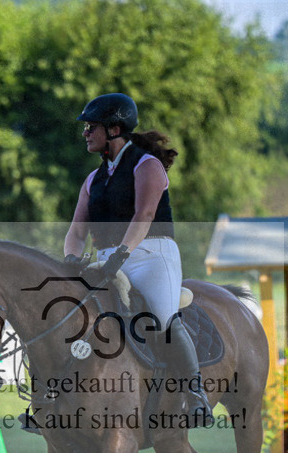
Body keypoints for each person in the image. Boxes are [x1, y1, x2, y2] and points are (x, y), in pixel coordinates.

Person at [62, 92, 210, 417]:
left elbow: (144, 215)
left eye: (91, 127)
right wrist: (71, 259)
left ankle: (195, 393)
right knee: (71, 315)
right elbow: (76, 232)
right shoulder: (93, 179)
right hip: (105, 261)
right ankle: (53, 399)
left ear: (114, 129)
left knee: (163, 317)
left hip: (151, 256)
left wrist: (120, 256)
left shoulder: (147, 165)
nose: (85, 133)